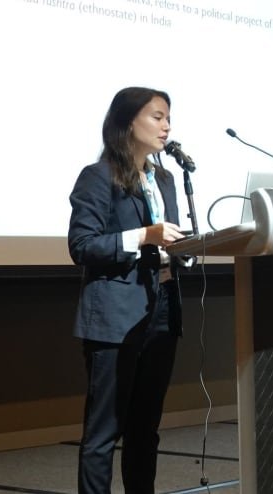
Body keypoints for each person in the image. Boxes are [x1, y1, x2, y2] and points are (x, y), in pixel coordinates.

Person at [68, 86, 186, 494]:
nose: (166, 125)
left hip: (162, 309)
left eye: (169, 117)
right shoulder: (98, 177)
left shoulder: (166, 179)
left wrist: (185, 249)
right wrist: (143, 236)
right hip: (116, 316)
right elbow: (82, 247)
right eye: (157, 116)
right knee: (103, 434)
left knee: (145, 429)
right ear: (127, 121)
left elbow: (163, 242)